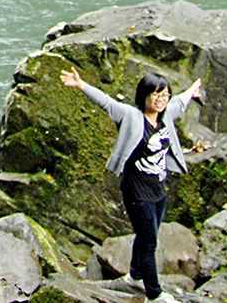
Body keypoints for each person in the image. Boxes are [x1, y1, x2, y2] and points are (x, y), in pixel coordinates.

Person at [61, 66, 205, 301]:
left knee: (147, 235)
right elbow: (106, 103)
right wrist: (81, 85)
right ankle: (154, 294)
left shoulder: (166, 115)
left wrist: (192, 90)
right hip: (136, 190)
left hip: (158, 187)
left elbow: (179, 102)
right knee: (149, 242)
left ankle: (135, 276)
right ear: (144, 96)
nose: (161, 100)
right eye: (156, 95)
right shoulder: (131, 116)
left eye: (164, 95)